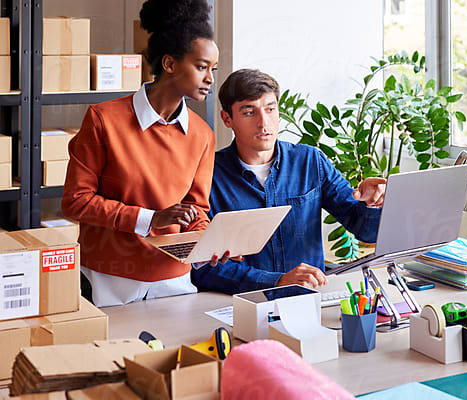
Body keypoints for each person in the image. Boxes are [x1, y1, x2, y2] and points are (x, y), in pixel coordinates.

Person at [62, 0, 229, 307]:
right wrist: (152, 218)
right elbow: (75, 202)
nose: (210, 79)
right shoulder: (103, 119)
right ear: (169, 64)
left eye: (213, 69)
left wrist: (207, 242)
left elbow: (196, 210)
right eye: (202, 66)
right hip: (109, 280)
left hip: (175, 281)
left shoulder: (203, 134)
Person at [191, 69, 386, 295]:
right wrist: (275, 280)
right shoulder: (208, 174)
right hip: (240, 306)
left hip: (307, 302)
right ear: (227, 119)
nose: (263, 123)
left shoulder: (311, 161)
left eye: (270, 109)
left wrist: (372, 202)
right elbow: (202, 267)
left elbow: (366, 231)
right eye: (249, 112)